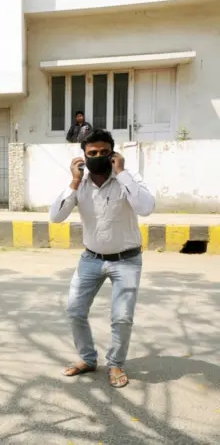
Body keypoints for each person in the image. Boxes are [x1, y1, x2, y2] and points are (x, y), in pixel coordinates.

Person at [49, 129, 155, 389]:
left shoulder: (128, 179)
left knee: (121, 317)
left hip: (126, 260)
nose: (98, 156)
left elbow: (146, 208)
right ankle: (88, 359)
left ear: (113, 154)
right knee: (75, 310)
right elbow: (56, 217)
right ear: (83, 156)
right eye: (92, 153)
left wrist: (122, 174)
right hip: (91, 259)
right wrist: (73, 181)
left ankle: (116, 363)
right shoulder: (80, 184)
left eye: (104, 153)